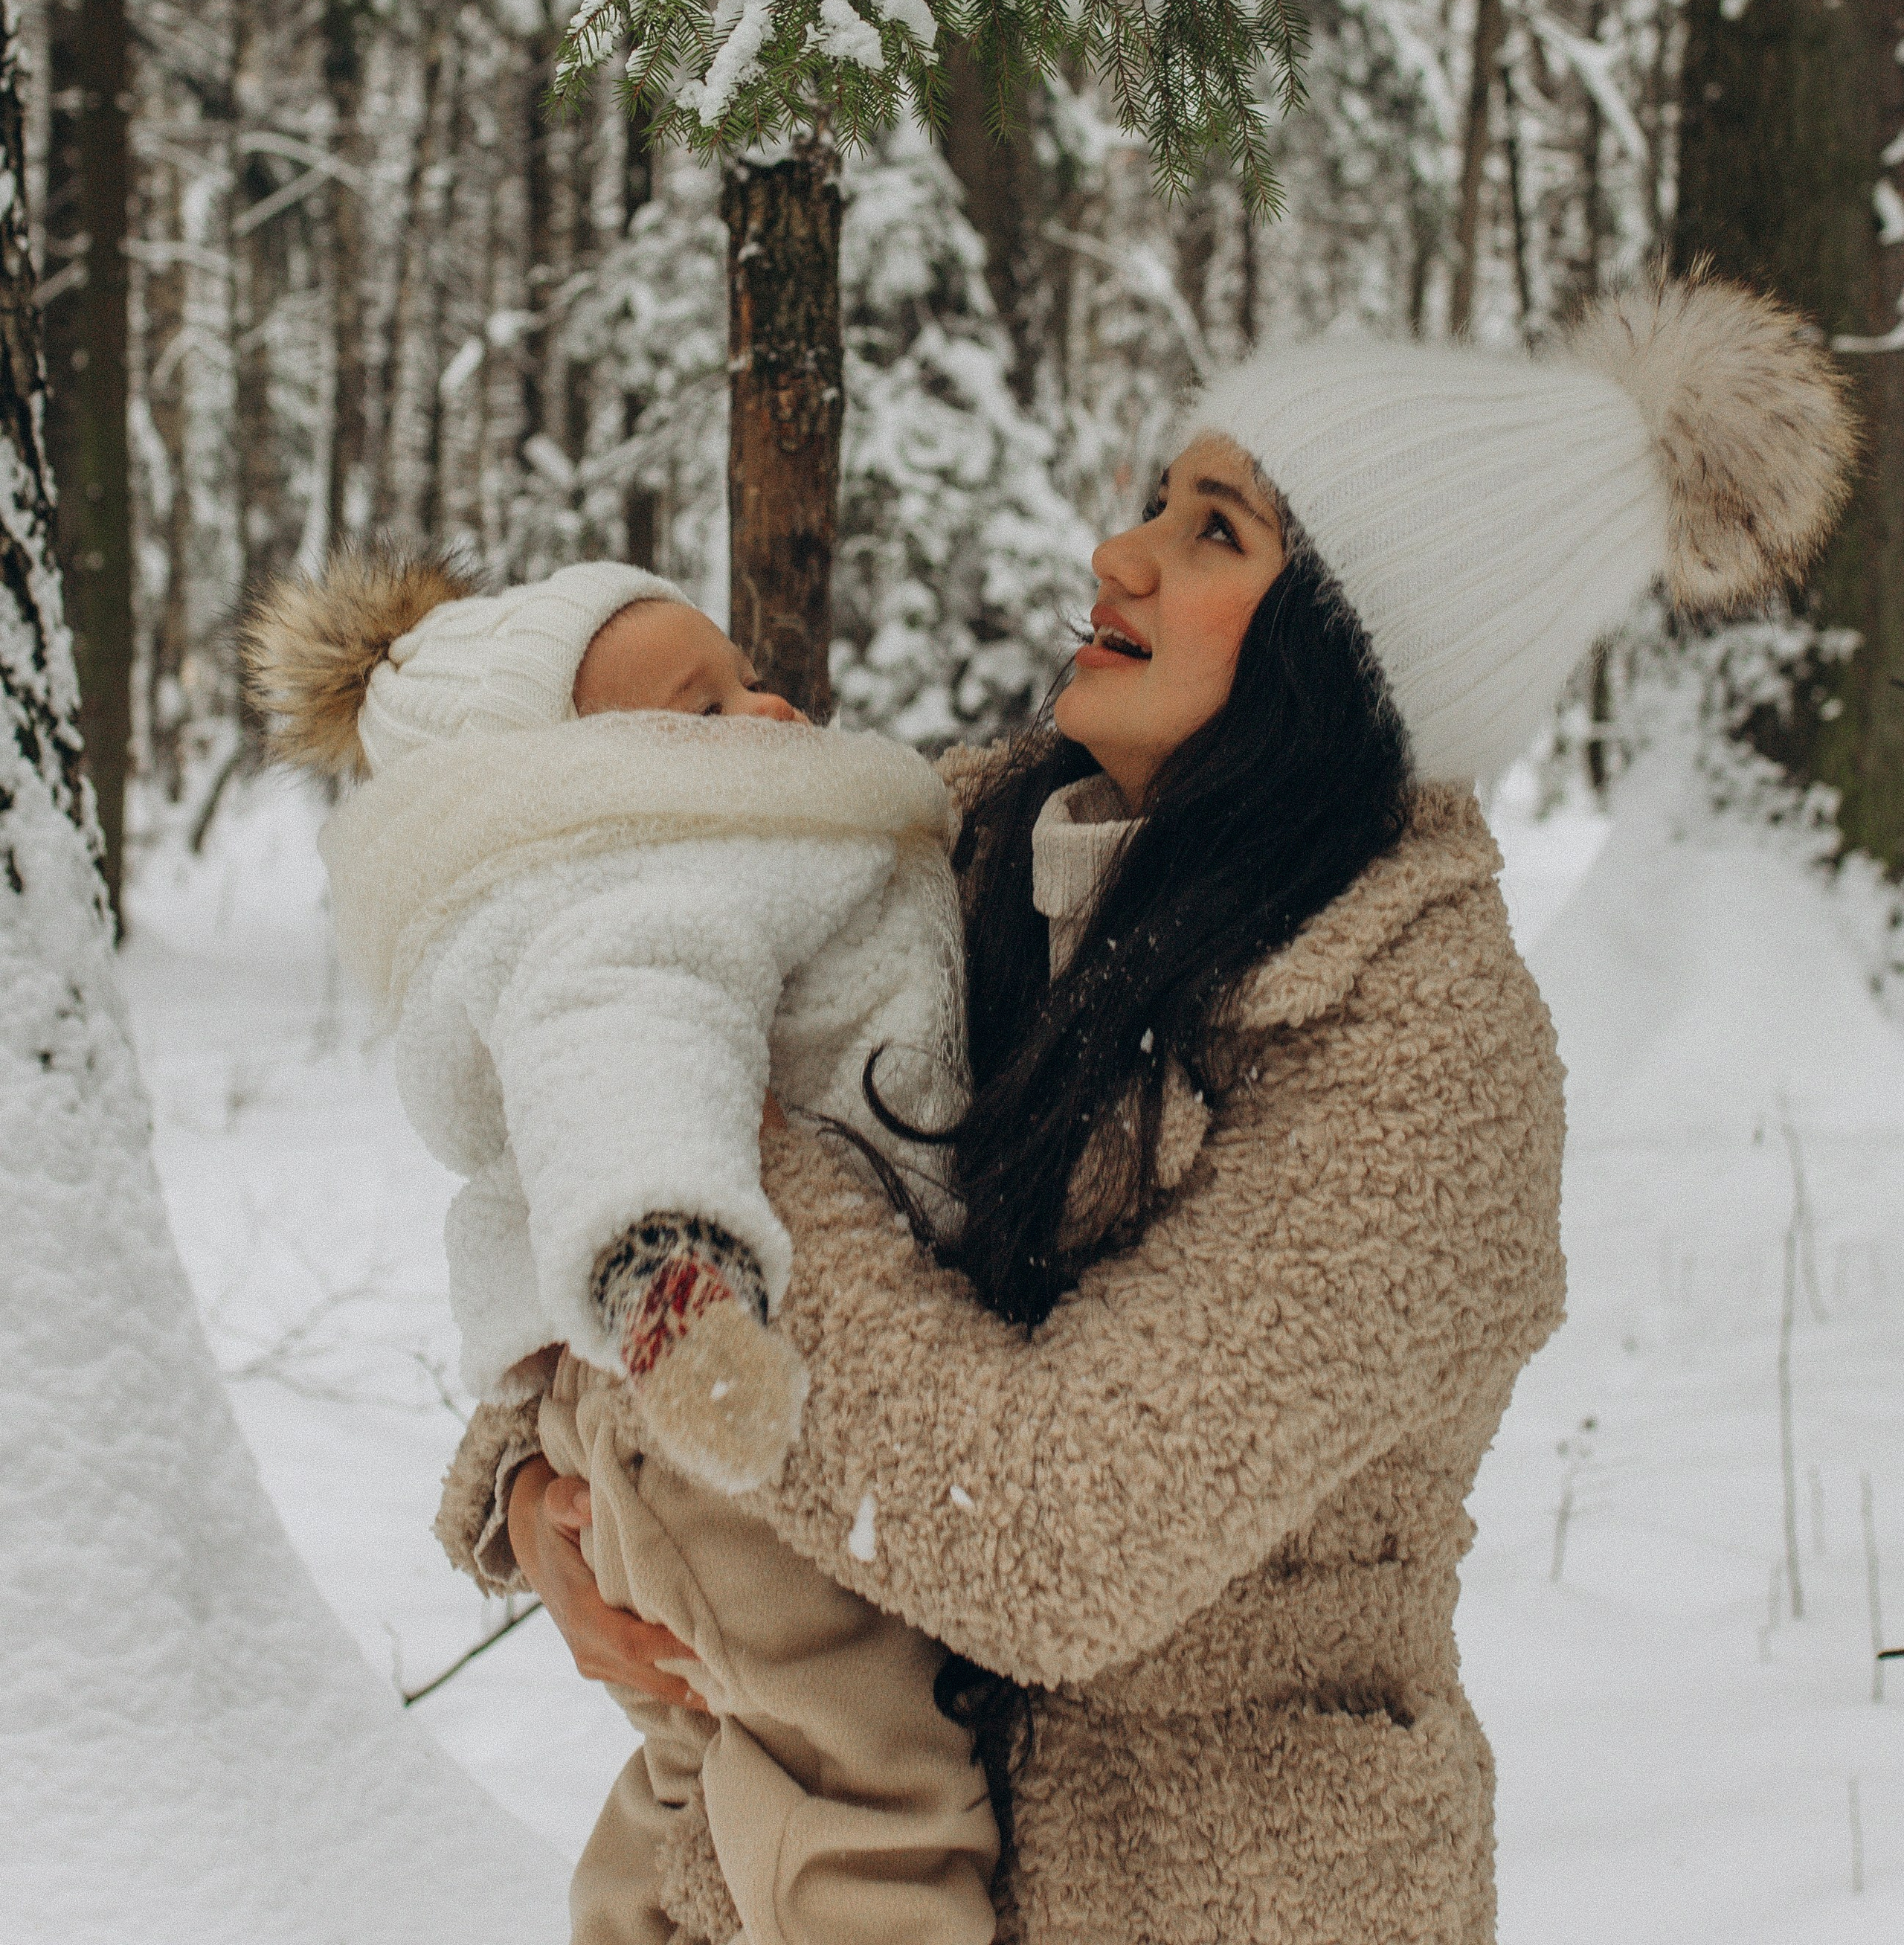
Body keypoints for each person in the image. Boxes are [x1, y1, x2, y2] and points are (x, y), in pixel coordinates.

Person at [448, 272, 1854, 1945]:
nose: (1119, 555)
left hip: (1214, 1894)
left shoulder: (1429, 1070)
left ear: (1354, 650)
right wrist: (545, 1484)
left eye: (1214, 533)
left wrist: (741, 1160)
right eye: (1155, 504)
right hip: (774, 1862)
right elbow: (590, 1065)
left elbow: (1055, 1542)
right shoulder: (965, 844)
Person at [245, 556, 999, 1945]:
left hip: (651, 1410)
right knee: (862, 1774)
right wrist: (677, 1297)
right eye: (699, 711)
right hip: (726, 1394)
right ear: (572, 775)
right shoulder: (653, 885)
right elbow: (624, 1056)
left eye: (748, 679)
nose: (767, 712)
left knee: (699, 1754)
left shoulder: (650, 858)